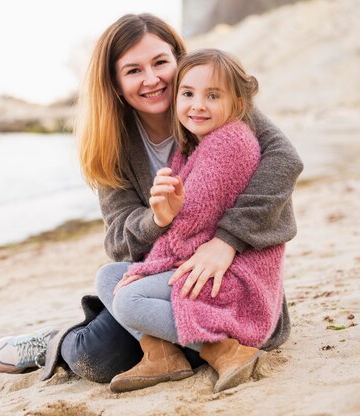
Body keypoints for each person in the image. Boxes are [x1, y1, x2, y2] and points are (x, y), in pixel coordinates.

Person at [0, 13, 303, 386]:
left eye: (160, 63)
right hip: (167, 279)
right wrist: (158, 219)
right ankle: (74, 342)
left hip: (224, 281)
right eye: (134, 70)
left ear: (179, 61)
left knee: (106, 343)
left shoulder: (215, 106)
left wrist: (228, 241)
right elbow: (119, 243)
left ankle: (211, 347)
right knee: (98, 353)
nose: (152, 79)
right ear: (117, 84)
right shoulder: (114, 145)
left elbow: (284, 159)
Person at [99, 48, 286, 394]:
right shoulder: (191, 144)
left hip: (231, 273)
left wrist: (150, 262)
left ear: (239, 104)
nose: (198, 105)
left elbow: (191, 231)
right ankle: (163, 355)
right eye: (188, 94)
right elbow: (122, 240)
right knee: (108, 276)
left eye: (212, 96)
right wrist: (160, 219)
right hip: (197, 263)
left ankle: (225, 350)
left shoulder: (227, 142)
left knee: (127, 300)